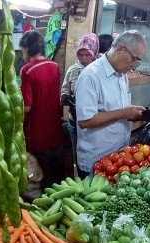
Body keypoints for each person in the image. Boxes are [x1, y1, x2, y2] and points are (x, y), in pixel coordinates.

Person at [74, 30, 147, 177]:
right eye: (134, 58)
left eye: (138, 61)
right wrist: (124, 113)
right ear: (120, 49)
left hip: (118, 156)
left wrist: (131, 113)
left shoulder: (122, 75)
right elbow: (85, 120)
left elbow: (116, 109)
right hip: (96, 161)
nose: (134, 65)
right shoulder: (91, 76)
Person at [19, 30, 64, 189]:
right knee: (59, 181)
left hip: (38, 135)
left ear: (26, 48)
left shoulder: (27, 70)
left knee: (44, 183)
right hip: (56, 133)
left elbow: (27, 107)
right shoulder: (54, 66)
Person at [61, 33, 99, 164]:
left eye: (87, 55)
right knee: (78, 155)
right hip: (74, 121)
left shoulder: (98, 72)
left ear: (94, 53)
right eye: (80, 54)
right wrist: (66, 97)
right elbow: (64, 89)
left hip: (94, 123)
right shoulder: (72, 70)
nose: (83, 58)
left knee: (93, 156)